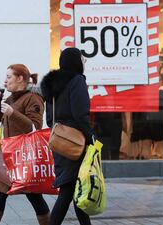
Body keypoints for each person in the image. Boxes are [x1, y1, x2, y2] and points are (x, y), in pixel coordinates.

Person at [0, 64, 50, 225]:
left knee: (35, 197)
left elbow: (35, 127)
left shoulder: (33, 98)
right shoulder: (10, 98)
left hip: (24, 158)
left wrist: (12, 113)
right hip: (7, 157)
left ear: (20, 79)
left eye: (9, 77)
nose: (5, 81)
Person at [40, 47, 94, 225]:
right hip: (76, 143)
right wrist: (89, 137)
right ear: (76, 62)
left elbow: (49, 119)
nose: (84, 63)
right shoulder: (77, 81)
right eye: (82, 60)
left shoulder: (52, 85)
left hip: (59, 143)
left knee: (72, 188)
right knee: (68, 191)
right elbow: (81, 114)